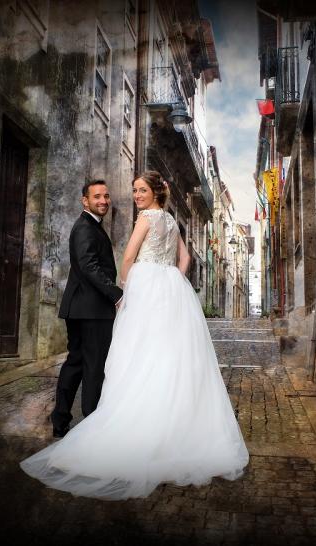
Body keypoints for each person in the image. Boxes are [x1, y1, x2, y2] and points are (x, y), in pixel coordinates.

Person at [21, 171, 249, 499]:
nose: (136, 195)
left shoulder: (146, 218)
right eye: (134, 190)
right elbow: (185, 258)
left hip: (144, 292)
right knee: (166, 356)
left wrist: (128, 291)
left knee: (135, 354)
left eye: (142, 190)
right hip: (166, 292)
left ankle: (104, 421)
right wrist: (171, 281)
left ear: (155, 191)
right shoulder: (171, 221)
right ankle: (149, 424)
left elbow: (128, 258)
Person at [50, 180, 123, 438]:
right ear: (85, 200)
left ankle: (60, 420)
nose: (103, 201)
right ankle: (91, 425)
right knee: (94, 366)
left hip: (81, 307)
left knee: (76, 363)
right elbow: (88, 266)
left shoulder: (91, 225)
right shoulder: (85, 227)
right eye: (97, 196)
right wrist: (116, 294)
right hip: (91, 310)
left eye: (106, 196)